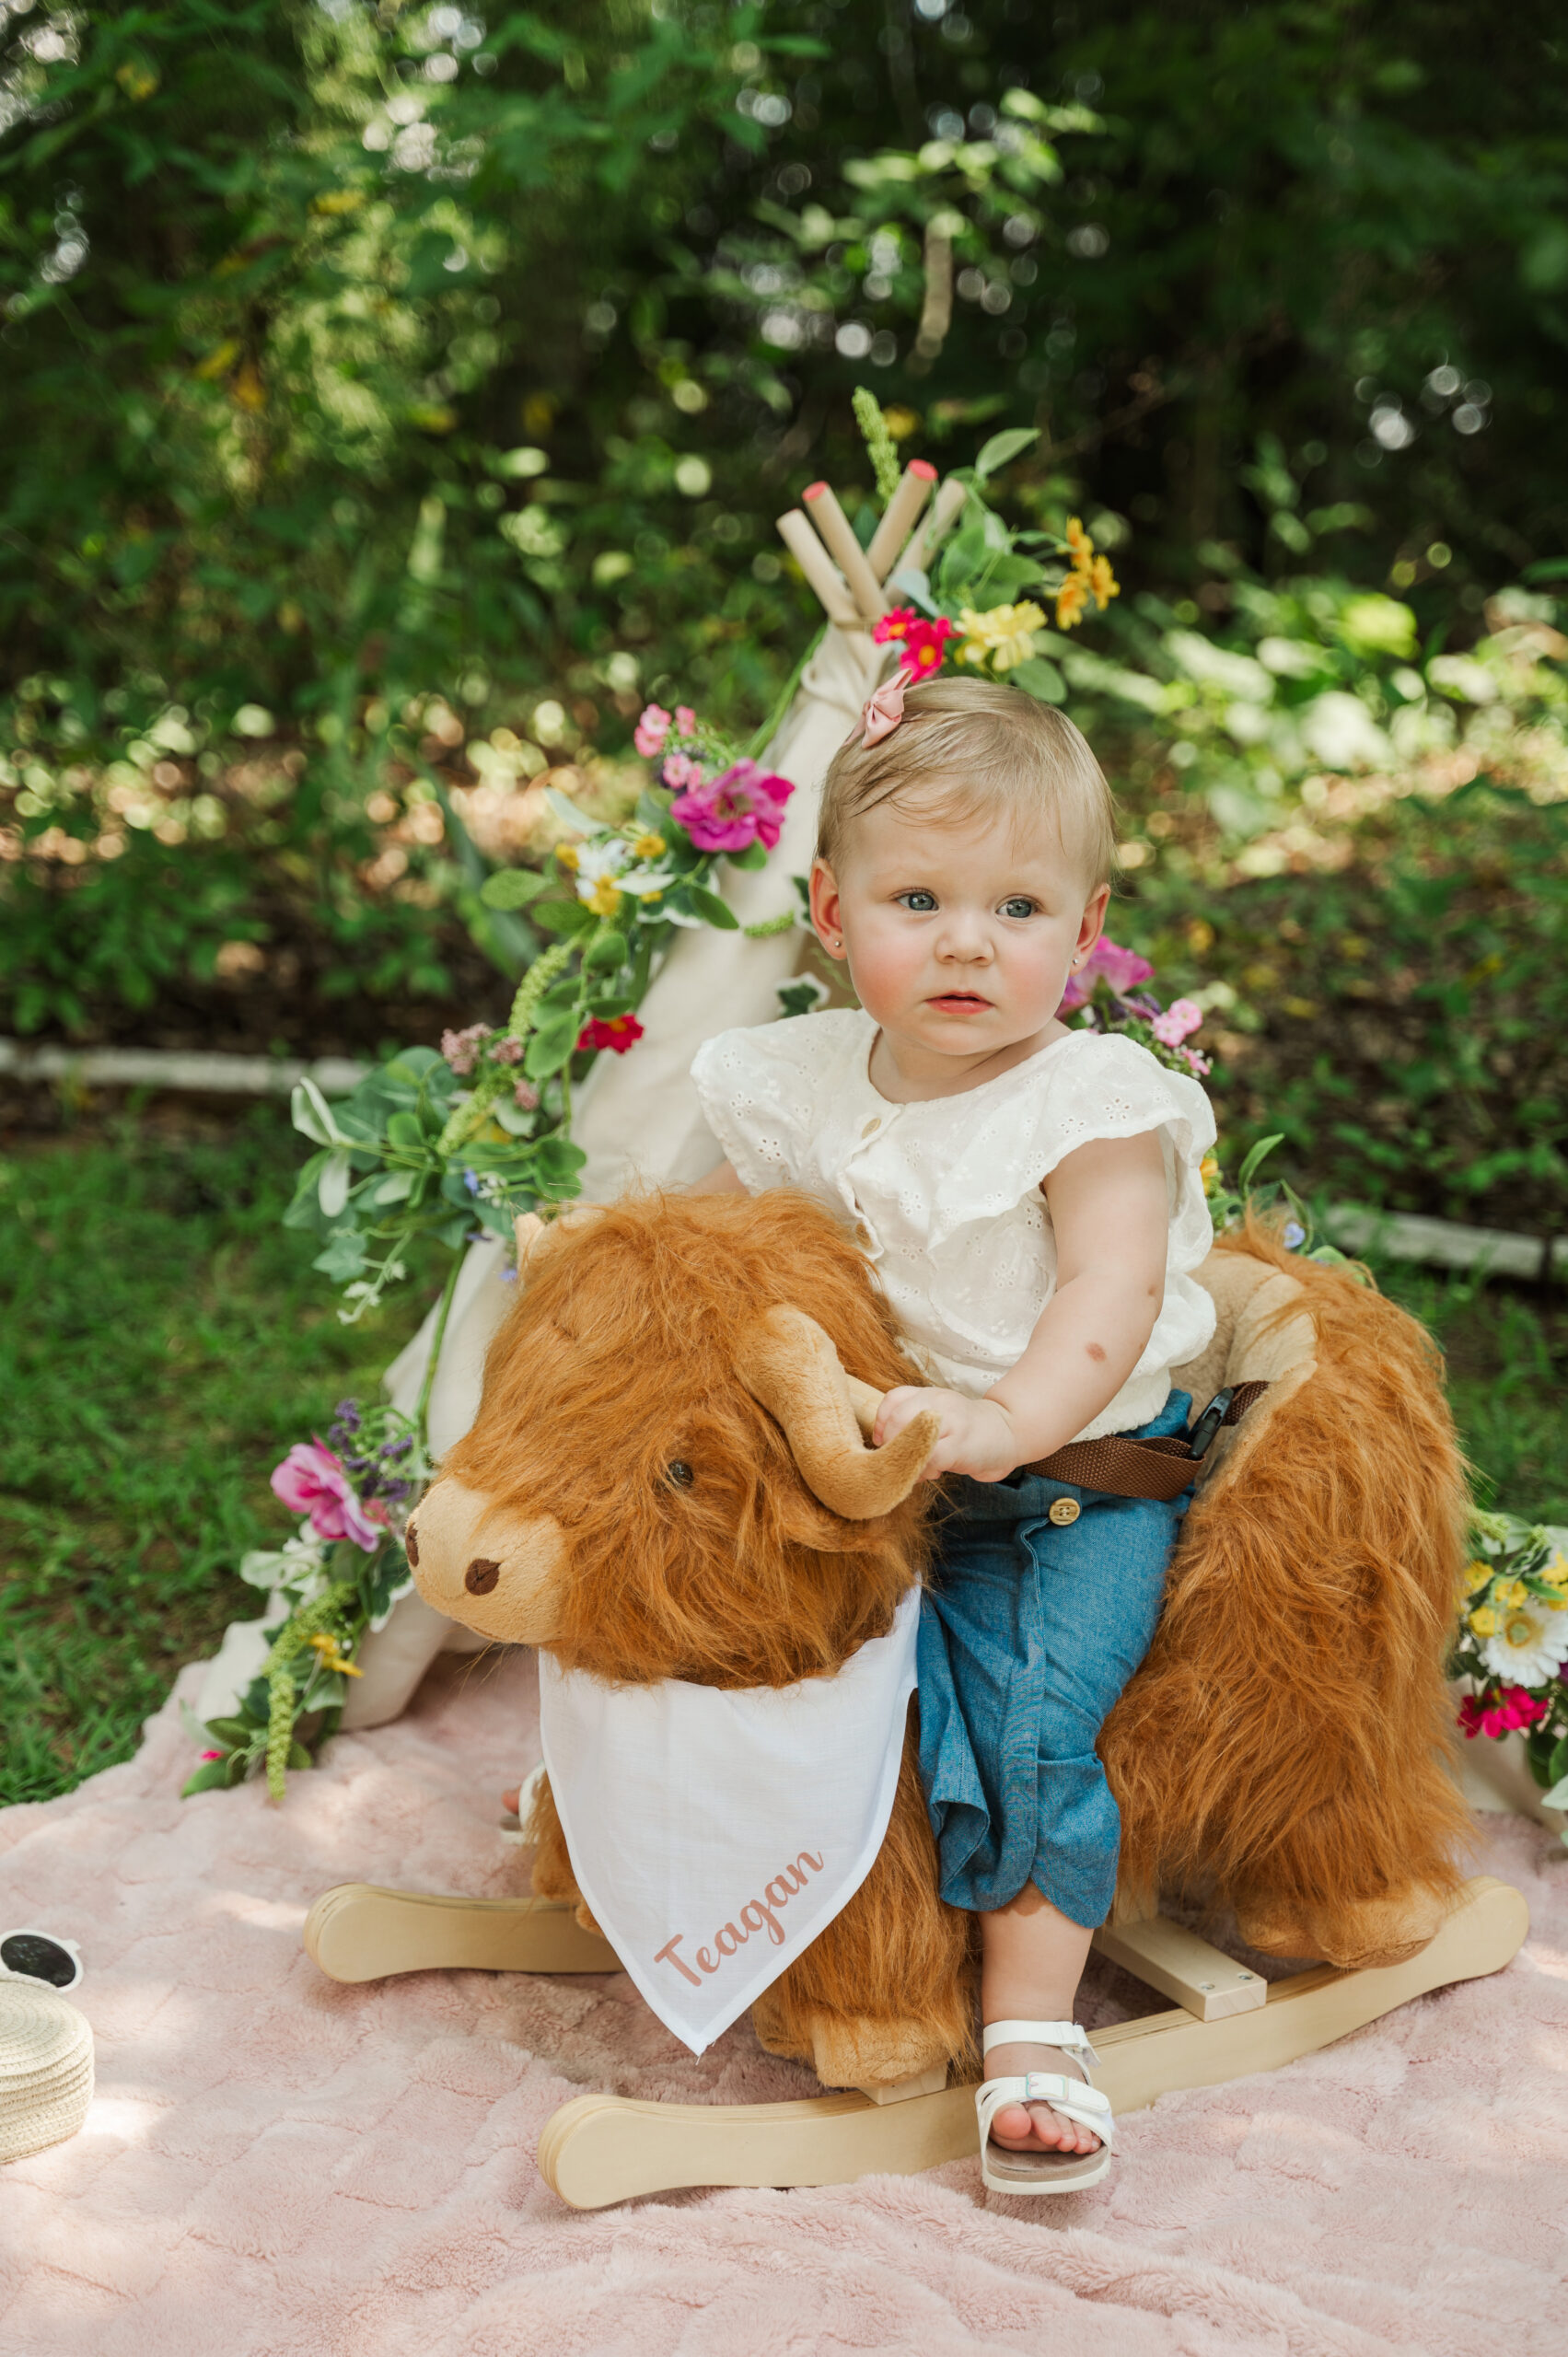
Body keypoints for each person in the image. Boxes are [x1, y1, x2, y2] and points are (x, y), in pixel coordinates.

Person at [687, 670, 1216, 2194]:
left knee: (1033, 1712)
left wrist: (1002, 1419)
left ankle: (1033, 2026)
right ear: (832, 908)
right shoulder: (795, 1076)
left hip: (1065, 1490)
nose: (971, 942)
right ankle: (697, 1849)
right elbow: (742, 1247)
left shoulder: (1093, 1103)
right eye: (920, 897)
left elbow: (1106, 1307)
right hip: (874, 1470)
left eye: (1021, 906)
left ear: (1086, 921)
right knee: (744, 1627)